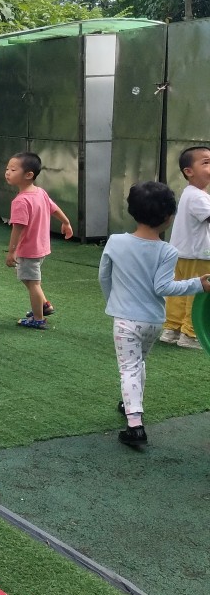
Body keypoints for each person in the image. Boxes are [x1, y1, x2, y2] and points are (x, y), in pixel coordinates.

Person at [99, 182, 210, 448]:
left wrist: (113, 301)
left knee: (129, 368)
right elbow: (164, 288)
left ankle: (135, 425)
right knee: (138, 364)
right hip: (152, 322)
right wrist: (198, 284)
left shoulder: (115, 242)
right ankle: (130, 403)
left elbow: (104, 276)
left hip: (125, 321)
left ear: (132, 211)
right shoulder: (167, 251)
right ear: (169, 217)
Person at [4, 152, 73, 329]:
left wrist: (11, 251)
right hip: (41, 247)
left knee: (33, 283)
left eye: (13, 169)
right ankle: (44, 305)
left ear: (28, 175)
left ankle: (38, 318)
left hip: (28, 250)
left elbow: (18, 228)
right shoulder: (40, 192)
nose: (8, 172)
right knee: (29, 279)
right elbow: (54, 208)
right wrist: (65, 222)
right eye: (7, 169)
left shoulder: (21, 201)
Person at [161, 145, 210, 350]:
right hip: (199, 255)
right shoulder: (199, 197)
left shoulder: (190, 193)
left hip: (182, 254)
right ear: (189, 171)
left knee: (180, 293)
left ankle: (172, 329)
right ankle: (191, 333)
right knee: (197, 293)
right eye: (206, 162)